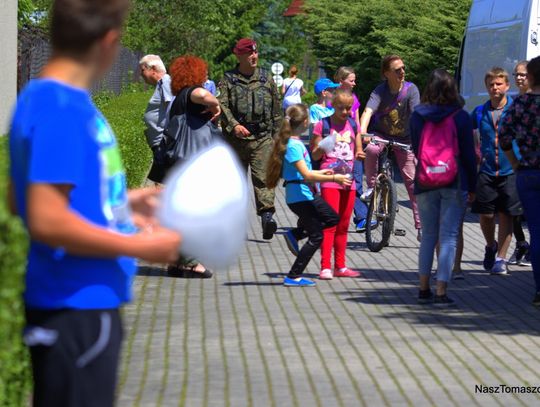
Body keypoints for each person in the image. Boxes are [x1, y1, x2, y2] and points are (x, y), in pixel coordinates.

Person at [7, 1, 181, 405]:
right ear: (109, 42)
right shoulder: (63, 109)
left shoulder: (44, 98)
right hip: (77, 306)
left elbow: (18, 198)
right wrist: (141, 246)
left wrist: (122, 201)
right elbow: (46, 219)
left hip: (79, 304)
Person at [409, 69, 477, 306]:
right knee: (448, 237)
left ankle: (423, 289)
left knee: (428, 236)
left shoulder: (417, 116)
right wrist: (473, 185)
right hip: (454, 181)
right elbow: (469, 155)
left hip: (425, 180)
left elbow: (417, 149)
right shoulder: (461, 117)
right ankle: (441, 291)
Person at [266, 104, 350, 287]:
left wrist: (325, 172)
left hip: (304, 194)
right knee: (317, 236)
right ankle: (293, 276)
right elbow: (306, 175)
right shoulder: (293, 146)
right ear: (305, 122)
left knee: (332, 218)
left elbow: (309, 174)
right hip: (300, 196)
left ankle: (295, 234)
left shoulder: (295, 144)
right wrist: (335, 178)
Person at [218, 38, 282, 240]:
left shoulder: (266, 78)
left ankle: (267, 217)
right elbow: (222, 106)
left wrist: (279, 139)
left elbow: (276, 110)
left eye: (255, 52)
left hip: (262, 138)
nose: (254, 56)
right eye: (249, 53)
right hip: (235, 140)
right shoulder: (228, 79)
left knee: (264, 178)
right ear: (239, 56)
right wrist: (234, 125)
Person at [164, 54, 221, 279]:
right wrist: (216, 105)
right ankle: (191, 263)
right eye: (203, 71)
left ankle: (178, 263)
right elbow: (204, 94)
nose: (206, 75)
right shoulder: (191, 93)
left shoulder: (180, 97)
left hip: (179, 162)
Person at [360, 54, 422, 240]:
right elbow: (368, 111)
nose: (402, 72)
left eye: (403, 68)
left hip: (405, 139)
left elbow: (417, 115)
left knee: (412, 182)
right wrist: (363, 133)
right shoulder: (380, 91)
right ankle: (372, 188)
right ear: (386, 73)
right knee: (371, 149)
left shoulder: (411, 90)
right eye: (397, 70)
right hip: (382, 135)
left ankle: (421, 226)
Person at [471, 67, 521, 275]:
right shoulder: (480, 112)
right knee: (486, 215)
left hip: (511, 170)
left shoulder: (516, 110)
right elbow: (473, 139)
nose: (495, 87)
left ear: (507, 86)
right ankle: (490, 245)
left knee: (506, 215)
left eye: (499, 83)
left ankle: (501, 258)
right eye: (491, 84)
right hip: (487, 170)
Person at [311, 89, 364, 280]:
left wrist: (359, 153)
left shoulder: (352, 124)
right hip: (330, 180)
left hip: (348, 180)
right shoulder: (322, 125)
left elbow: (358, 147)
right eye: (341, 108)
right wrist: (325, 145)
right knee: (330, 223)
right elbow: (315, 154)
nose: (345, 112)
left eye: (349, 108)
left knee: (343, 224)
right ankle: (325, 266)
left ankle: (340, 266)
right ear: (333, 105)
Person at [500, 56, 540, 304]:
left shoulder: (520, 104)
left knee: (536, 231)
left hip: (527, 173)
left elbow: (504, 136)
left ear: (532, 76)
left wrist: (515, 162)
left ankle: (539, 289)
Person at [334, 66, 370, 232]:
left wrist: (360, 142)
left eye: (355, 80)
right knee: (341, 183)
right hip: (339, 146)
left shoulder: (354, 97)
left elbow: (356, 120)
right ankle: (361, 217)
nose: (354, 83)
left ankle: (362, 218)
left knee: (356, 181)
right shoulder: (333, 97)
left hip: (353, 143)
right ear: (341, 81)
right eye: (351, 80)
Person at [507, 60, 531, 267]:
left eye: (522, 74)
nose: (519, 78)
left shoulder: (530, 102)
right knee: (514, 210)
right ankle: (522, 243)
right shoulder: (513, 102)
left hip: (531, 165)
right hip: (515, 165)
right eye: (516, 75)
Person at [139, 54, 174, 184]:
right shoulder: (162, 84)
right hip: (160, 144)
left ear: (153, 69)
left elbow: (172, 108)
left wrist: (168, 138)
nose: (141, 74)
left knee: (161, 184)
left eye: (142, 70)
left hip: (163, 143)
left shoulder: (165, 82)